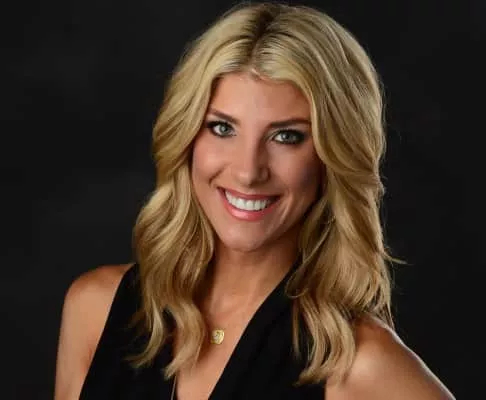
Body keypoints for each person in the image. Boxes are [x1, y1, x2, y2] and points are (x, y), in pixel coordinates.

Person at [55, 2, 455, 399]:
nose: (248, 171)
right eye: (222, 128)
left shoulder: (361, 366)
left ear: (332, 156)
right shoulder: (96, 309)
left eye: (286, 136)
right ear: (187, 137)